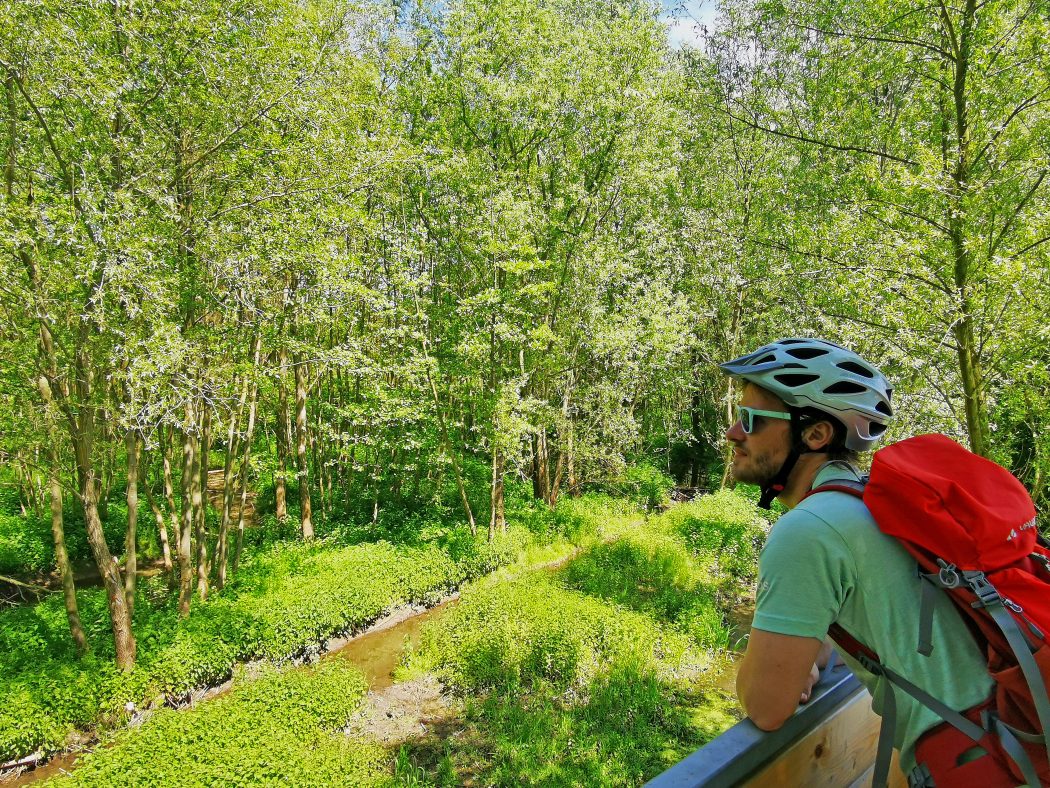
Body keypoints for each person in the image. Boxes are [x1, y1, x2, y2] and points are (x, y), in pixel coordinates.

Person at [721, 338, 994, 783]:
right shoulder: (873, 505)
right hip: (1008, 739)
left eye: (751, 420)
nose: (734, 433)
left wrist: (760, 666)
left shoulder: (809, 530)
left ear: (815, 434)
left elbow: (766, 708)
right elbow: (846, 626)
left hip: (981, 766)